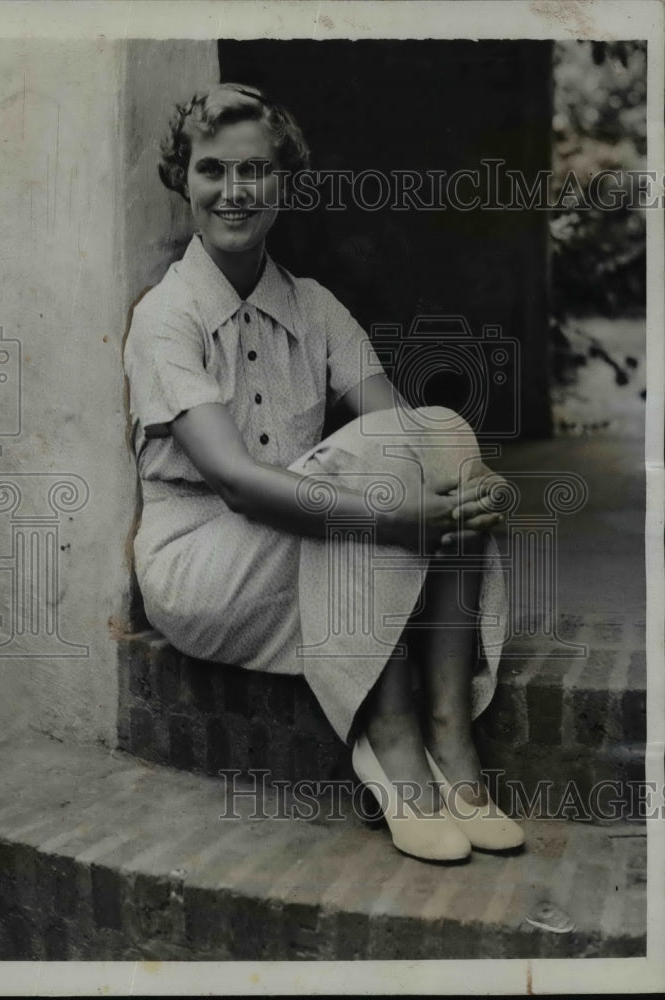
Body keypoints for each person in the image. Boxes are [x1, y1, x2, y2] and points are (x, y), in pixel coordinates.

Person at [123, 82, 524, 862]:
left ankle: (451, 733)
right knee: (376, 485)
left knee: (438, 429)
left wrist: (477, 484)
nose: (234, 193)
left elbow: (413, 440)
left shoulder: (313, 306)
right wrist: (396, 518)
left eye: (255, 172)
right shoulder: (165, 317)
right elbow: (237, 483)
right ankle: (392, 738)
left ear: (284, 184)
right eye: (213, 170)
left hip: (297, 534)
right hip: (205, 564)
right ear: (184, 180)